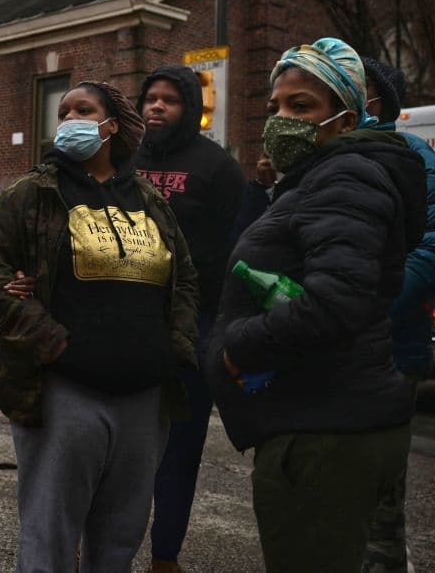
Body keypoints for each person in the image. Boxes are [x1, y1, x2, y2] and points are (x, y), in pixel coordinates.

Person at [205, 38, 427, 573]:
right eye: (276, 106)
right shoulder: (316, 178)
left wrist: (236, 348)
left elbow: (336, 303)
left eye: (302, 106)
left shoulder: (344, 175)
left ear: (345, 120)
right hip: (320, 420)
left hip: (323, 433)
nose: (281, 119)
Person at [0, 80, 199, 572]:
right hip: (62, 389)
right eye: (64, 112)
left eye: (83, 110)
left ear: (110, 126)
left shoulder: (149, 200)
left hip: (143, 395)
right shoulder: (33, 192)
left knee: (121, 536)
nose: (70, 119)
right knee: (50, 535)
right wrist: (49, 342)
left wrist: (173, 349)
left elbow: (185, 278)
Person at [134, 65, 245, 573]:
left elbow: (234, 248)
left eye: (169, 100)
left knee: (179, 449)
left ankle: (165, 554)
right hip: (126, 322)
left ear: (190, 110)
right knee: (123, 444)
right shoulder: (122, 159)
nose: (156, 107)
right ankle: (107, 547)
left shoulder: (217, 167)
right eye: (149, 99)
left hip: (192, 324)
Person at [361, 57, 435, 573]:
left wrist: (363, 306)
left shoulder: (414, 155)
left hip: (390, 351)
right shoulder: (318, 156)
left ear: (378, 101)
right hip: (329, 353)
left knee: (380, 505)